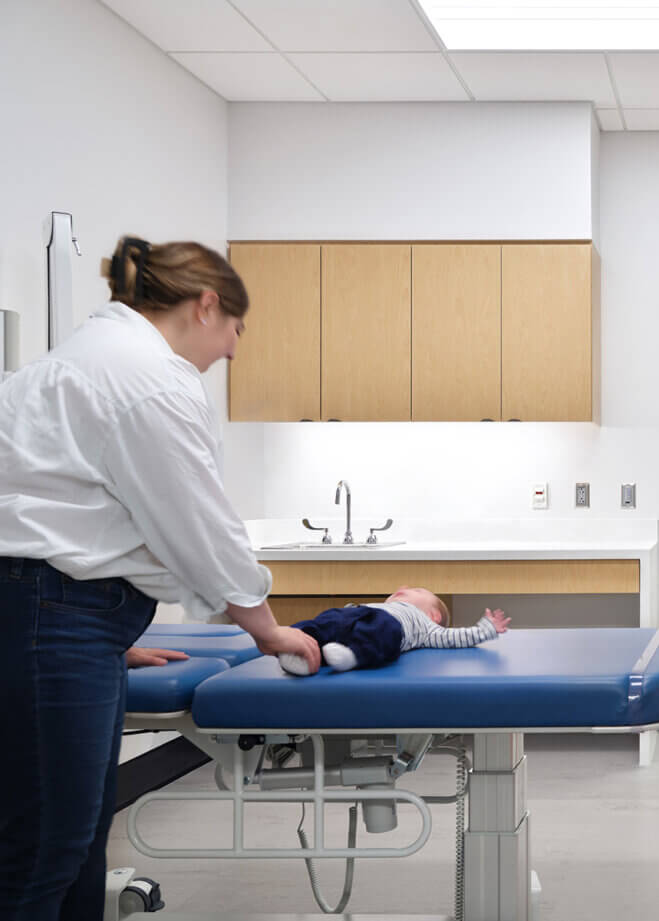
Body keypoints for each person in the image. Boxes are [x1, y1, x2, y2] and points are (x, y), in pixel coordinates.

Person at [0, 236, 320, 921]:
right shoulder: (146, 379)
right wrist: (267, 630)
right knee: (44, 850)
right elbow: (200, 525)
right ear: (206, 305)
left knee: (75, 843)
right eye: (235, 328)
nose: (232, 350)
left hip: (53, 618)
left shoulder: (79, 361)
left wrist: (95, 638)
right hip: (51, 617)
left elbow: (65, 514)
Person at [278, 586, 510, 675]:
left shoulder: (426, 626)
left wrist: (485, 629)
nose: (404, 588)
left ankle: (353, 657)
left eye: (416, 590)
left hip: (386, 625)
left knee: (386, 633)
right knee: (326, 621)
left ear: (434, 615)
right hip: (355, 614)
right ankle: (293, 648)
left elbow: (454, 637)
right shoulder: (380, 605)